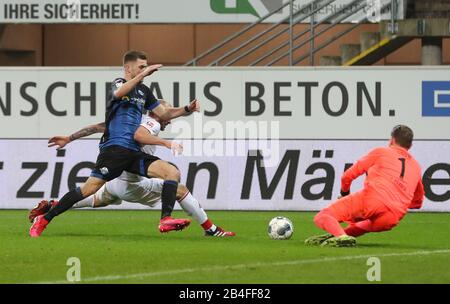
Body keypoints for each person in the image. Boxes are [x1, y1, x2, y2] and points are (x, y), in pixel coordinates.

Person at [30, 50, 200, 237]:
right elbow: (117, 95)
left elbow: (164, 114)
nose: (145, 69)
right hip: (114, 150)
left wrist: (186, 109)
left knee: (172, 172)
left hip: (133, 152)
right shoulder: (118, 84)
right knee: (88, 190)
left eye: (146, 66)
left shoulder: (144, 91)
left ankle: (165, 220)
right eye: (141, 66)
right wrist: (69, 138)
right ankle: (44, 219)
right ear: (128, 68)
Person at [30, 104, 235, 237]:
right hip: (133, 183)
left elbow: (94, 127)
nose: (170, 118)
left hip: (117, 178)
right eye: (167, 113)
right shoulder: (152, 123)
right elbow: (140, 135)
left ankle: (52, 208)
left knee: (95, 195)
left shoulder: (124, 120)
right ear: (157, 114)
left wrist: (69, 138)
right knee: (179, 189)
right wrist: (165, 142)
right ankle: (211, 230)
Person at [305, 125, 424, 247]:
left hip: (373, 199)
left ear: (392, 140)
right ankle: (340, 235)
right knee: (361, 226)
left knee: (323, 216)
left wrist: (345, 194)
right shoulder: (416, 167)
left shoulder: (381, 152)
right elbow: (417, 203)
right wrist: (396, 200)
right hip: (392, 217)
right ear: (410, 145)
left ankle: (341, 236)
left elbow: (347, 176)